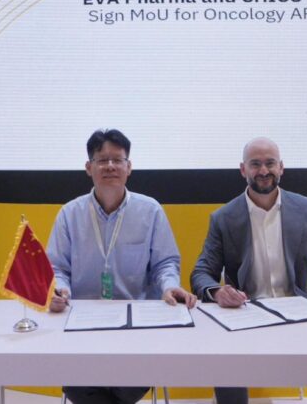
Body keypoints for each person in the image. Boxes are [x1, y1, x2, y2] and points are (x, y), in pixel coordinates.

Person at [190, 137, 307, 404]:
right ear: (243, 170)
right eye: (255, 164)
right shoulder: (223, 218)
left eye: (270, 163)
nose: (263, 170)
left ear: (281, 167)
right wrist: (217, 292)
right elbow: (201, 272)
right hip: (246, 316)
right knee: (224, 359)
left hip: (303, 311)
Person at [47, 129, 196, 404]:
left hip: (136, 324)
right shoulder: (70, 214)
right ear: (89, 167)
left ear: (129, 167)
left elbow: (165, 263)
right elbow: (57, 268)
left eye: (117, 159)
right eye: (102, 160)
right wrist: (59, 290)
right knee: (78, 386)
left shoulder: (150, 210)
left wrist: (169, 286)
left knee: (129, 385)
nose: (110, 166)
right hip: (82, 323)